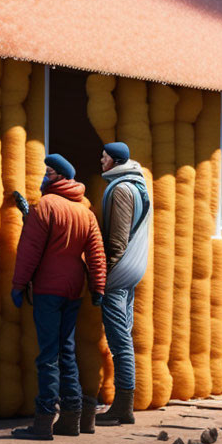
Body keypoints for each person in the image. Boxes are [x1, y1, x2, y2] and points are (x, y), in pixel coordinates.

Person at [10, 153, 107, 440]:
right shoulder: (85, 212)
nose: (44, 177)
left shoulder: (46, 206)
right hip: (73, 290)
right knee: (67, 351)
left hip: (48, 290)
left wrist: (18, 285)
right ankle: (71, 417)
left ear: (59, 177)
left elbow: (30, 251)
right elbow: (96, 254)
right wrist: (97, 288)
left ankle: (42, 422)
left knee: (48, 355)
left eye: (48, 172)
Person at [96, 141, 151, 426]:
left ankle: (122, 406)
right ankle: (123, 404)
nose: (101, 161)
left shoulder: (121, 190)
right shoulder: (136, 185)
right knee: (123, 335)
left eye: (104, 158)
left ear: (115, 160)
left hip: (118, 273)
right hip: (131, 269)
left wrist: (105, 276)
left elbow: (117, 239)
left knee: (119, 340)